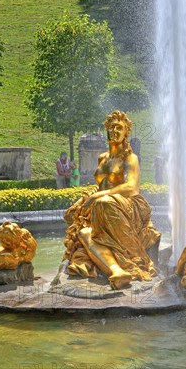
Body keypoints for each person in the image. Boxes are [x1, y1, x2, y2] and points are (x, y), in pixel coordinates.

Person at [62, 111, 161, 290]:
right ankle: (116, 271)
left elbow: (131, 187)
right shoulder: (103, 158)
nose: (114, 131)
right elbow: (100, 187)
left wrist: (96, 197)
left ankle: (132, 259)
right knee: (84, 233)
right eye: (111, 128)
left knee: (103, 202)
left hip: (128, 206)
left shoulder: (131, 158)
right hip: (104, 205)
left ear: (126, 133)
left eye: (119, 128)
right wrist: (82, 202)